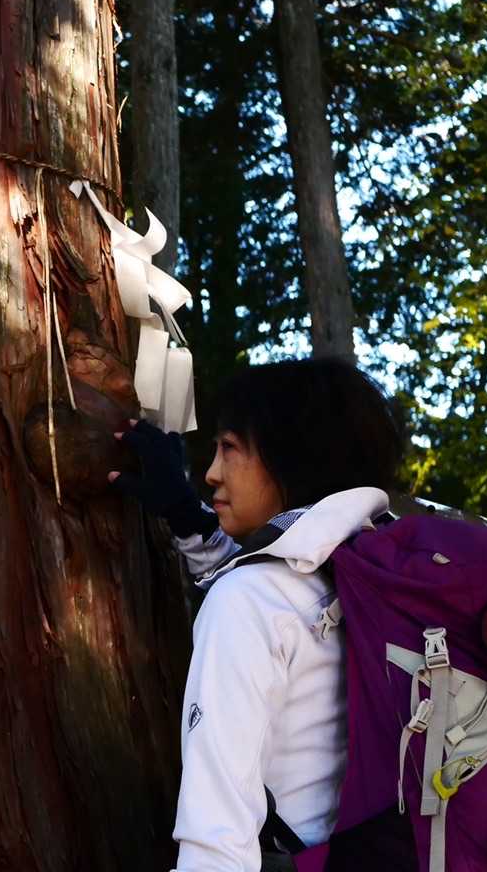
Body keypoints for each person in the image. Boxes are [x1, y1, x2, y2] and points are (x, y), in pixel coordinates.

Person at [110, 358, 405, 872]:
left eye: (228, 448)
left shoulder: (247, 601)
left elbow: (216, 838)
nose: (211, 473)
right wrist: (190, 519)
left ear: (289, 458)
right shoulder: (374, 575)